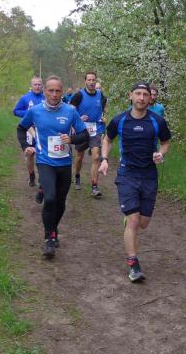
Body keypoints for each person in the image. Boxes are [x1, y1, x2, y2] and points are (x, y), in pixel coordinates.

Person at [99, 82, 171, 283]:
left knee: (143, 223)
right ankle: (133, 264)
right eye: (138, 94)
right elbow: (107, 139)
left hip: (149, 175)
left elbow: (166, 142)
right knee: (133, 220)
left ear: (150, 98)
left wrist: (160, 154)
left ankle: (131, 220)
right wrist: (104, 159)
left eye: (145, 94)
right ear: (130, 96)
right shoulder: (120, 120)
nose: (141, 98)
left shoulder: (157, 121)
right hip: (127, 174)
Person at [17, 76, 89, 260]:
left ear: (62, 92)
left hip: (64, 163)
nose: (54, 94)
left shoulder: (70, 111)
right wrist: (26, 147)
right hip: (45, 161)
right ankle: (49, 238)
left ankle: (53, 228)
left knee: (60, 202)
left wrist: (71, 139)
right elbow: (21, 128)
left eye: (58, 91)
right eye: (51, 91)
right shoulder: (35, 111)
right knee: (50, 199)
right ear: (45, 92)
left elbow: (84, 135)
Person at [70, 72, 107, 197]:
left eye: (93, 80)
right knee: (79, 156)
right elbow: (69, 111)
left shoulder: (101, 95)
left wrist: (103, 117)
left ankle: (94, 187)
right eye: (89, 80)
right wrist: (79, 119)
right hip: (82, 129)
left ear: (96, 81)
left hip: (95, 130)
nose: (91, 82)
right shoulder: (78, 95)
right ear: (85, 81)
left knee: (96, 157)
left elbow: (102, 110)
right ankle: (77, 175)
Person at [13, 76, 45, 187]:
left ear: (42, 85)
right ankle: (31, 175)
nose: (37, 86)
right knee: (30, 154)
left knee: (42, 154)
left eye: (39, 84)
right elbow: (15, 111)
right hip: (28, 129)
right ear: (31, 86)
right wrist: (28, 113)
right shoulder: (25, 98)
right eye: (35, 84)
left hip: (42, 130)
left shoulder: (46, 97)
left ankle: (42, 177)